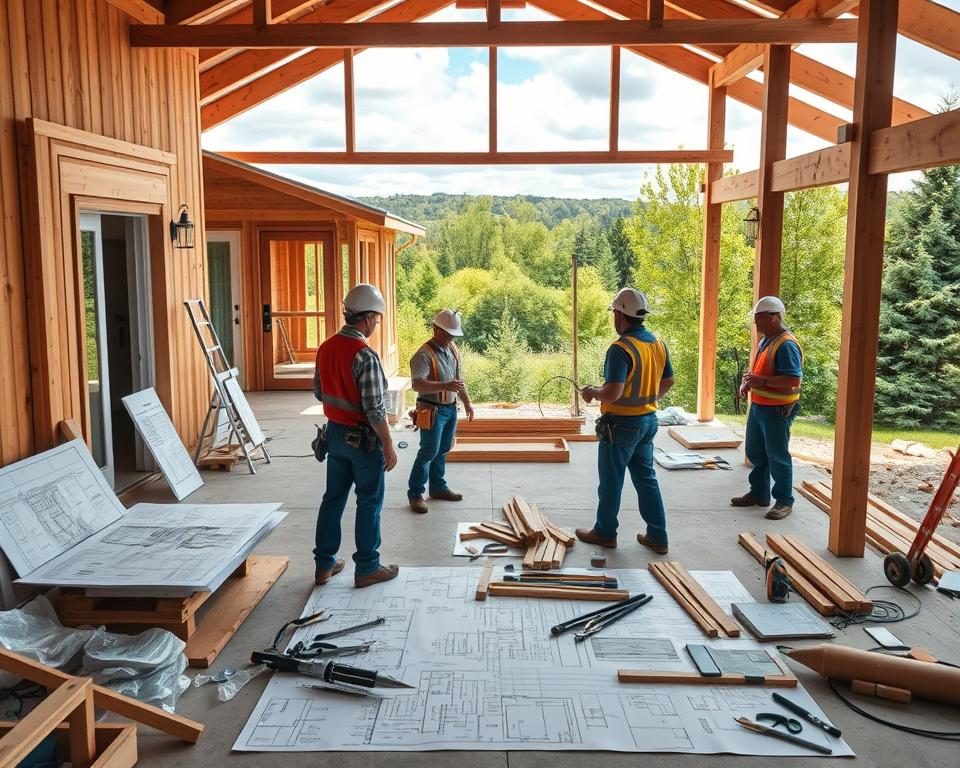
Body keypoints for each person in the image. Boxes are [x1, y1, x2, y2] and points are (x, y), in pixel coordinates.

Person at [313, 283, 399, 588]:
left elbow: (319, 392)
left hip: (334, 436)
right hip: (363, 442)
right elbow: (375, 411)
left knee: (332, 499)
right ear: (367, 318)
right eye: (377, 318)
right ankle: (367, 568)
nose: (377, 324)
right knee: (369, 502)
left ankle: (323, 565)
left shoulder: (326, 347)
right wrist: (388, 444)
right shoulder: (365, 355)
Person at [576, 287, 675, 554]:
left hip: (620, 426)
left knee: (611, 480)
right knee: (646, 478)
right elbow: (669, 380)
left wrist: (593, 393)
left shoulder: (620, 348)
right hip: (648, 422)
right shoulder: (657, 343)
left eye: (614, 313)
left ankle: (605, 532)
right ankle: (658, 536)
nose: (614, 318)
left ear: (620, 314)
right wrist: (647, 398)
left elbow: (613, 392)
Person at [731, 296, 804, 520]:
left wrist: (760, 381)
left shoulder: (786, 344)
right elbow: (761, 372)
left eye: (760, 319)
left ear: (775, 317)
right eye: (755, 319)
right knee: (756, 452)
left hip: (777, 410)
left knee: (777, 456)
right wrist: (749, 383)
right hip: (760, 406)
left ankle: (784, 501)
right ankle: (759, 494)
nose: (757, 324)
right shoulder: (766, 340)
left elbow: (792, 380)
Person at [407, 309, 475, 514]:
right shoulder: (422, 355)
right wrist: (445, 386)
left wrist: (467, 403)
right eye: (447, 333)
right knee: (428, 451)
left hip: (450, 409)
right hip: (432, 409)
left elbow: (458, 383)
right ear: (435, 329)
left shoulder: (452, 349)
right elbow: (417, 384)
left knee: (443, 449)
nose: (451, 338)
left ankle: (438, 487)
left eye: (453, 334)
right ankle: (415, 494)